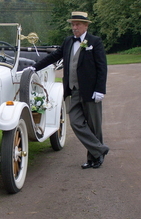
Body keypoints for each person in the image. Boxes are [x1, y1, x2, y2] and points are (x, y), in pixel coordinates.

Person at [32, 11, 109, 169]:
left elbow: (102, 67)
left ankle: (93, 158)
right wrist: (34, 67)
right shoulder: (68, 41)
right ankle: (100, 150)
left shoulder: (95, 41)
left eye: (78, 24)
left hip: (91, 91)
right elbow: (53, 57)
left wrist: (100, 90)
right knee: (75, 122)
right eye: (73, 24)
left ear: (86, 25)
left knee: (94, 126)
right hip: (73, 90)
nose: (74, 27)